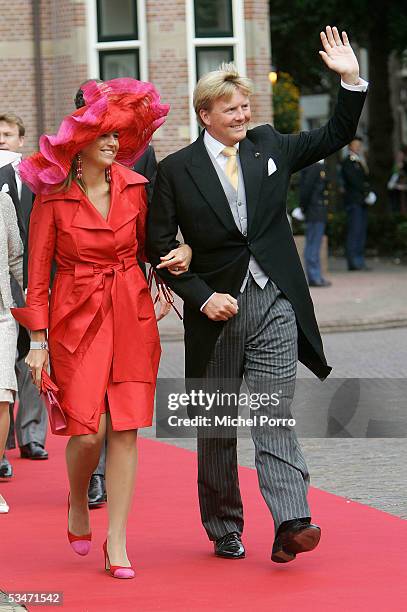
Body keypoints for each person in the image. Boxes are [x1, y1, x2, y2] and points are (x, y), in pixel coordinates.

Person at [147, 26, 368, 563]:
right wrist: (200, 296)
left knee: (273, 413)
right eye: (231, 110)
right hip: (215, 315)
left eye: (246, 107)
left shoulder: (270, 145)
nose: (243, 116)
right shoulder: (175, 172)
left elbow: (335, 133)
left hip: (275, 304)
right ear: (206, 115)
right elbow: (157, 247)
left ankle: (292, 520)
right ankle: (224, 525)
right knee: (218, 426)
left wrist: (351, 80)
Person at [12, 78, 188, 578]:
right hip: (75, 321)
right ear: (79, 143)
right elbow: (38, 276)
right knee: (88, 432)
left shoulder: (137, 189)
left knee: (127, 429)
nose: (115, 144)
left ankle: (118, 541)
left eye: (119, 136)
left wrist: (183, 256)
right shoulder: (51, 199)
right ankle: (75, 499)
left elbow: (157, 245)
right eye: (105, 135)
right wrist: (38, 341)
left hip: (130, 315)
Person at [72, 83, 186, 508]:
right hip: (79, 292)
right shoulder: (62, 159)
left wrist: (161, 271)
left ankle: (100, 475)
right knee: (90, 394)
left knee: (118, 392)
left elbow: (152, 220)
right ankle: (90, 474)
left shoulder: (142, 155)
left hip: (126, 284)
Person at [0, 113, 48, 478]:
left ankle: (32, 435)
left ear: (20, 139)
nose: (1, 140)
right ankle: (3, 445)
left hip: (32, 278)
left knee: (33, 358)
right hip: (7, 283)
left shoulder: (38, 179)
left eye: (6, 134)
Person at [0, 191, 24, 513]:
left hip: (2, 316)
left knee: (3, 395)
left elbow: (16, 257)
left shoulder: (2, 202)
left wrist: (37, 297)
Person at [341, 135, 371, 270]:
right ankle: (353, 261)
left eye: (359, 145)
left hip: (361, 201)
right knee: (355, 231)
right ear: (350, 146)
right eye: (356, 145)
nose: (358, 147)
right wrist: (366, 192)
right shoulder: (348, 161)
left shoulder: (359, 161)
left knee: (361, 231)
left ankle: (359, 259)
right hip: (354, 201)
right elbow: (354, 181)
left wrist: (369, 192)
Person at [300, 159, 332, 287]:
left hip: (317, 210)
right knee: (313, 244)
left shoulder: (318, 166)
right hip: (314, 210)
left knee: (315, 244)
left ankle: (316, 275)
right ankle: (314, 276)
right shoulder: (314, 166)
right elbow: (306, 189)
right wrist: (303, 207)